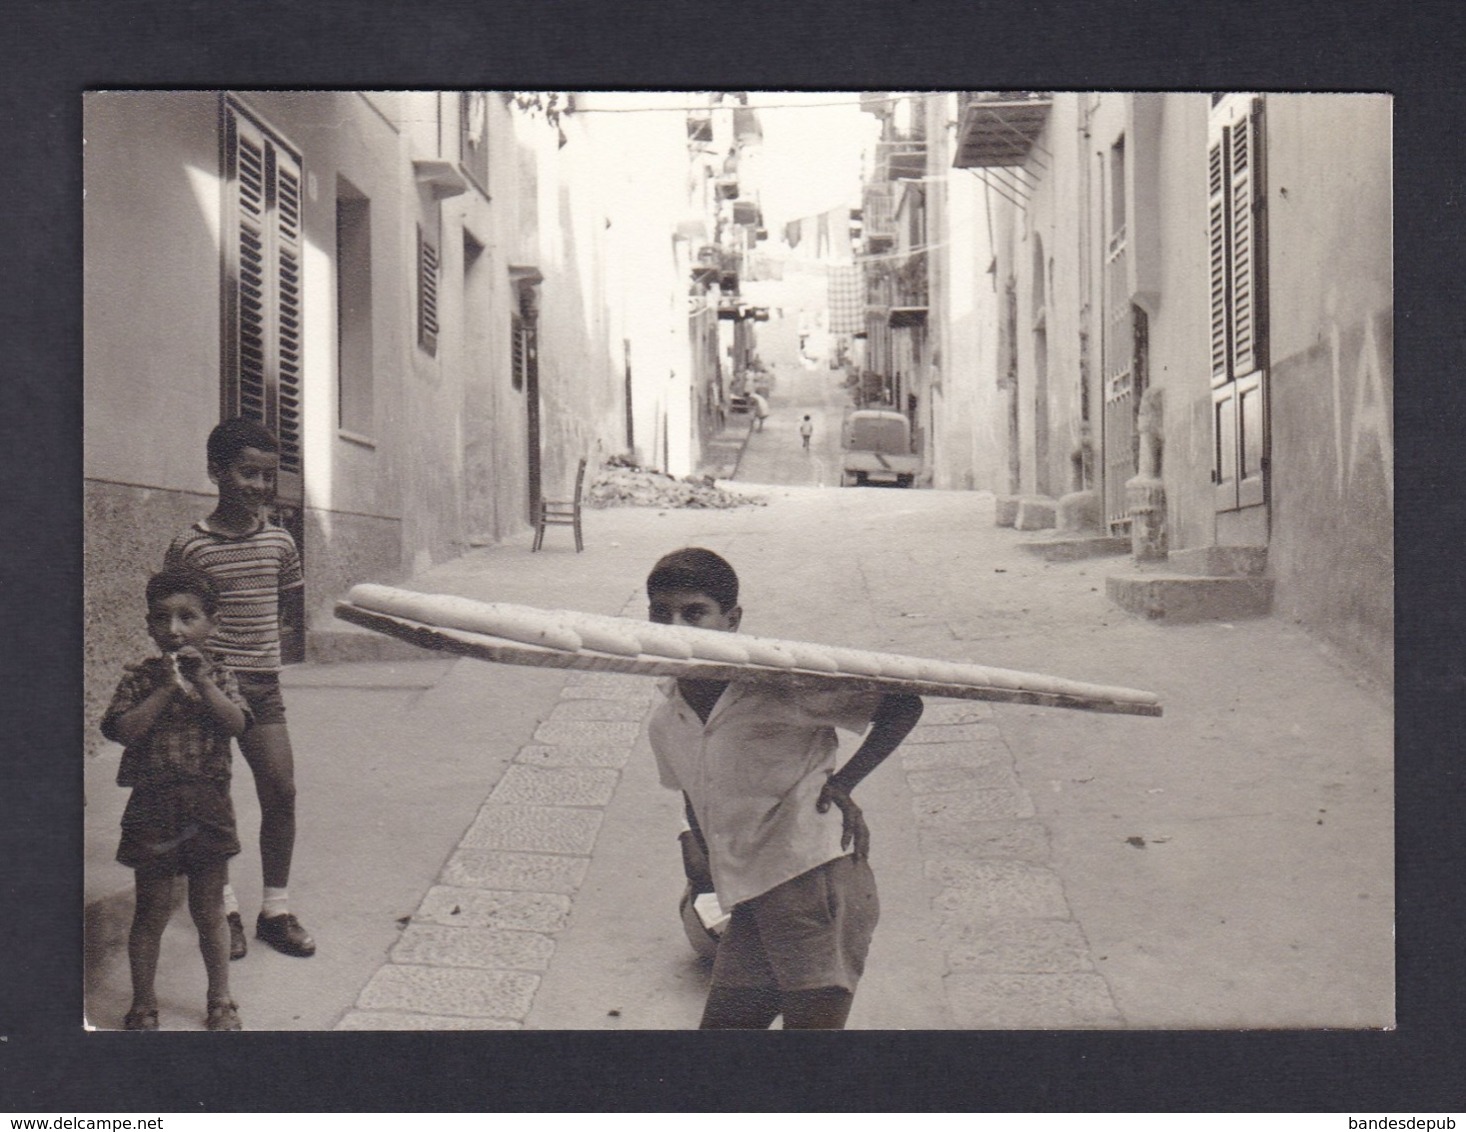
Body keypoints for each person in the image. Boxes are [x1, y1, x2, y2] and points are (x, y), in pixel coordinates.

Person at [645, 548, 923, 1028]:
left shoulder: (778, 684)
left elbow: (904, 705)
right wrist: (708, 863)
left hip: (814, 878)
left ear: (731, 620)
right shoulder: (668, 716)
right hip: (753, 895)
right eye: (660, 613)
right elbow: (692, 793)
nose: (674, 627)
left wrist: (844, 783)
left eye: (694, 613)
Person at [164, 417, 315, 959]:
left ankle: (276, 908)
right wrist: (195, 674)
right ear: (215, 472)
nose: (257, 486)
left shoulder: (280, 542)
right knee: (213, 800)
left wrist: (261, 655)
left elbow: (287, 608)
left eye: (266, 476)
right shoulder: (190, 547)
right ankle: (222, 909)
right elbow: (173, 619)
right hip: (206, 689)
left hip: (262, 686)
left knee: (281, 789)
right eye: (246, 472)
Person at [102, 566, 250, 1030]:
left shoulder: (220, 676)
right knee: (151, 909)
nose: (174, 630)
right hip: (153, 806)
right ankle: (143, 1002)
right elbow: (123, 731)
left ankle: (220, 998)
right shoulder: (140, 679)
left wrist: (203, 683)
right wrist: (166, 687)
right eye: (163, 618)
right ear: (148, 625)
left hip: (207, 803)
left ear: (212, 624)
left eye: (188, 618)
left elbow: (237, 724)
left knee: (209, 909)